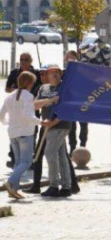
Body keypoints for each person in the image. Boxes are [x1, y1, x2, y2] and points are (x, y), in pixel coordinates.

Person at [1, 71, 40, 199]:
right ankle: (10, 182)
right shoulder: (28, 96)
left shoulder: (9, 96)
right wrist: (42, 122)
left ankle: (14, 190)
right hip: (25, 132)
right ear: (30, 83)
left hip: (12, 132)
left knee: (18, 163)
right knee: (27, 162)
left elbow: (1, 115)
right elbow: (28, 116)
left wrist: (8, 123)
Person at [38, 64, 74, 198]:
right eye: (51, 72)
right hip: (48, 126)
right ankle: (66, 187)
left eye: (57, 72)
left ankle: (53, 185)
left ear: (61, 74)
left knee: (49, 152)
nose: (54, 75)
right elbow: (35, 104)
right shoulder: (44, 88)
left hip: (59, 125)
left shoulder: (64, 88)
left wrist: (52, 122)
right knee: (61, 155)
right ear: (46, 75)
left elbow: (66, 109)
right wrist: (49, 100)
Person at [5, 52, 41, 168]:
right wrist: (15, 90)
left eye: (26, 59)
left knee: (31, 133)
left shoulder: (36, 74)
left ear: (31, 61)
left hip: (31, 104)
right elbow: (7, 89)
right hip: (16, 106)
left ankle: (29, 159)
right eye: (21, 59)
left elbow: (40, 89)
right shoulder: (14, 73)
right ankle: (15, 158)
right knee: (15, 132)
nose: (23, 62)